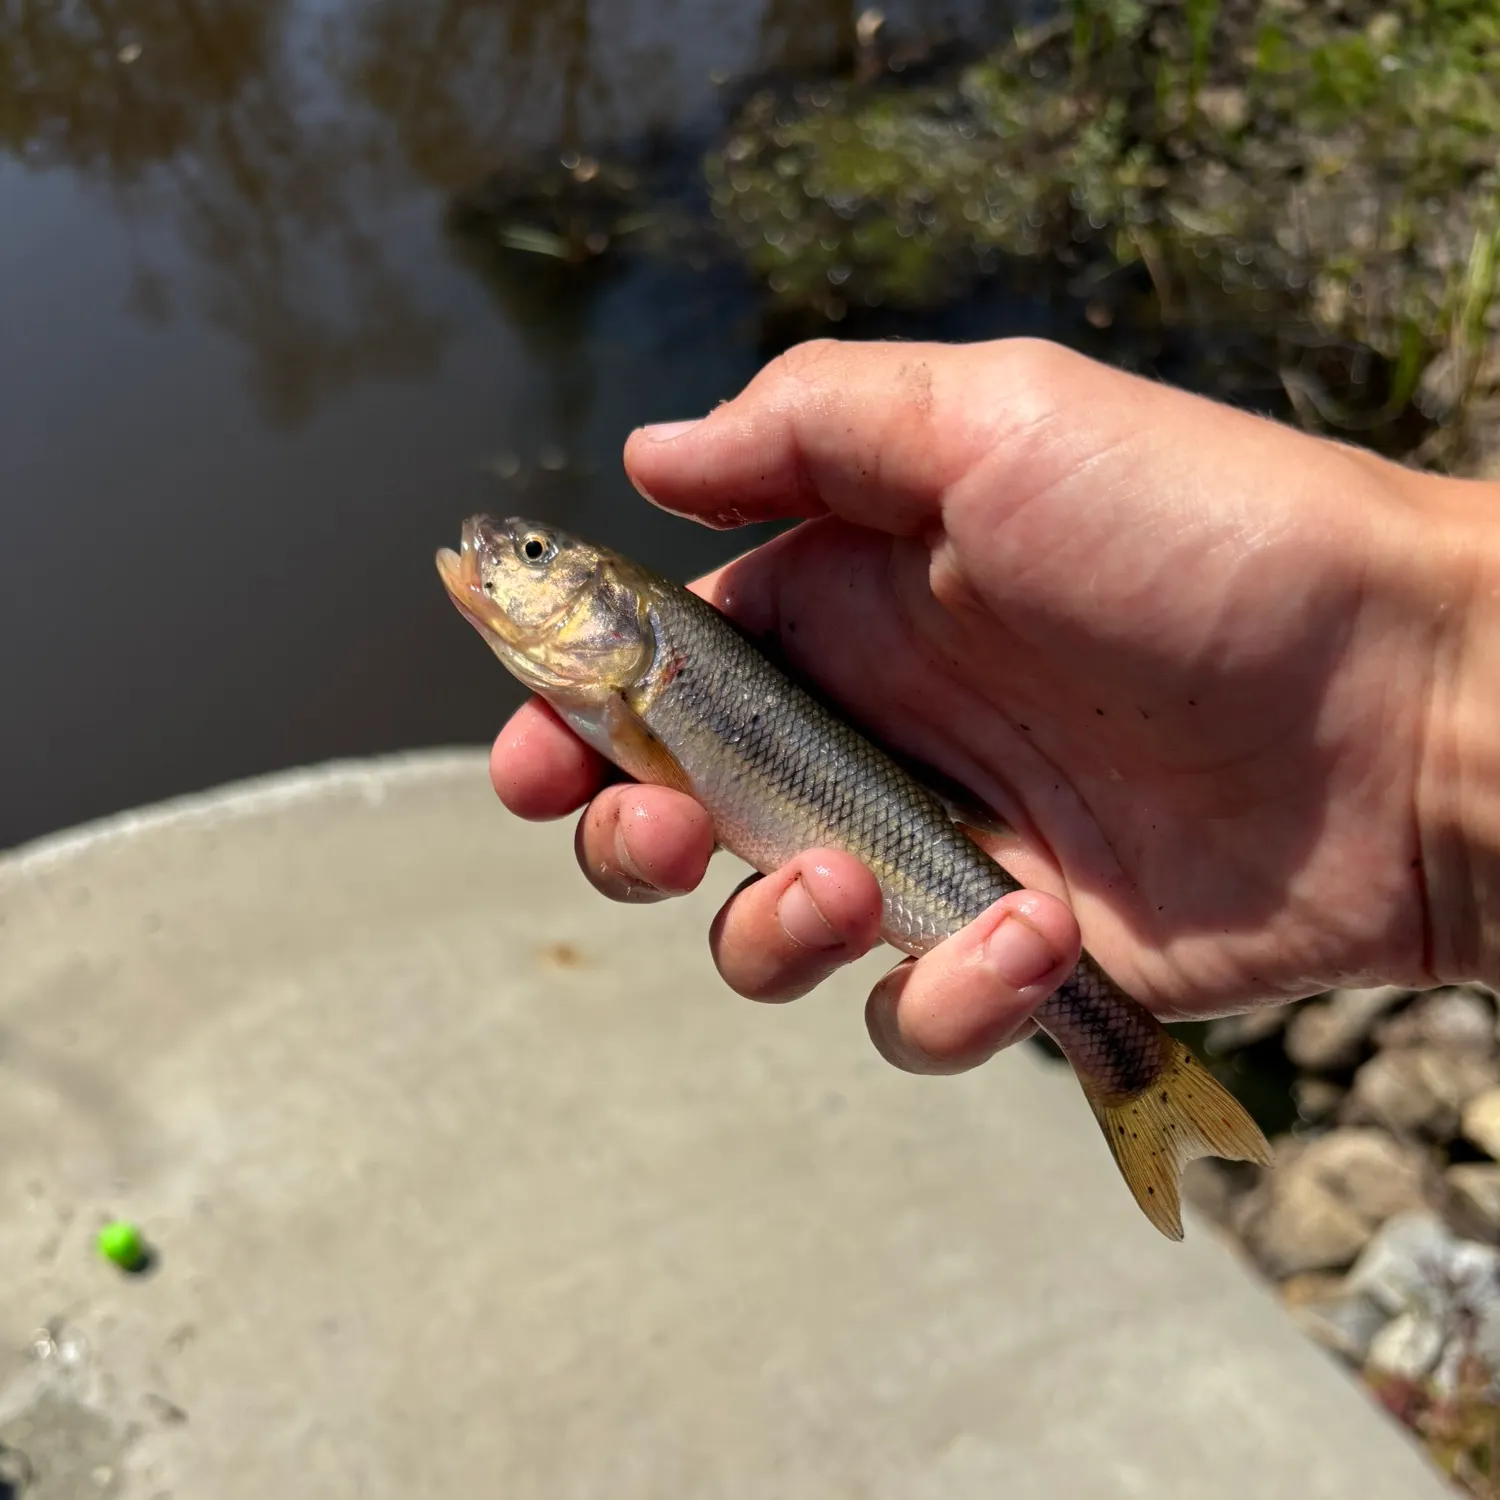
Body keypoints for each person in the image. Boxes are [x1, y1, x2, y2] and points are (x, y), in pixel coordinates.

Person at [488, 337, 1500, 1077]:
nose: (506, 557)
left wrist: (1420, 671)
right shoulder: (639, 674)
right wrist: (1427, 696)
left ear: (613, 612)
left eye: (537, 558)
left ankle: (1127, 1063)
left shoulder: (655, 666)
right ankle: (1122, 1055)